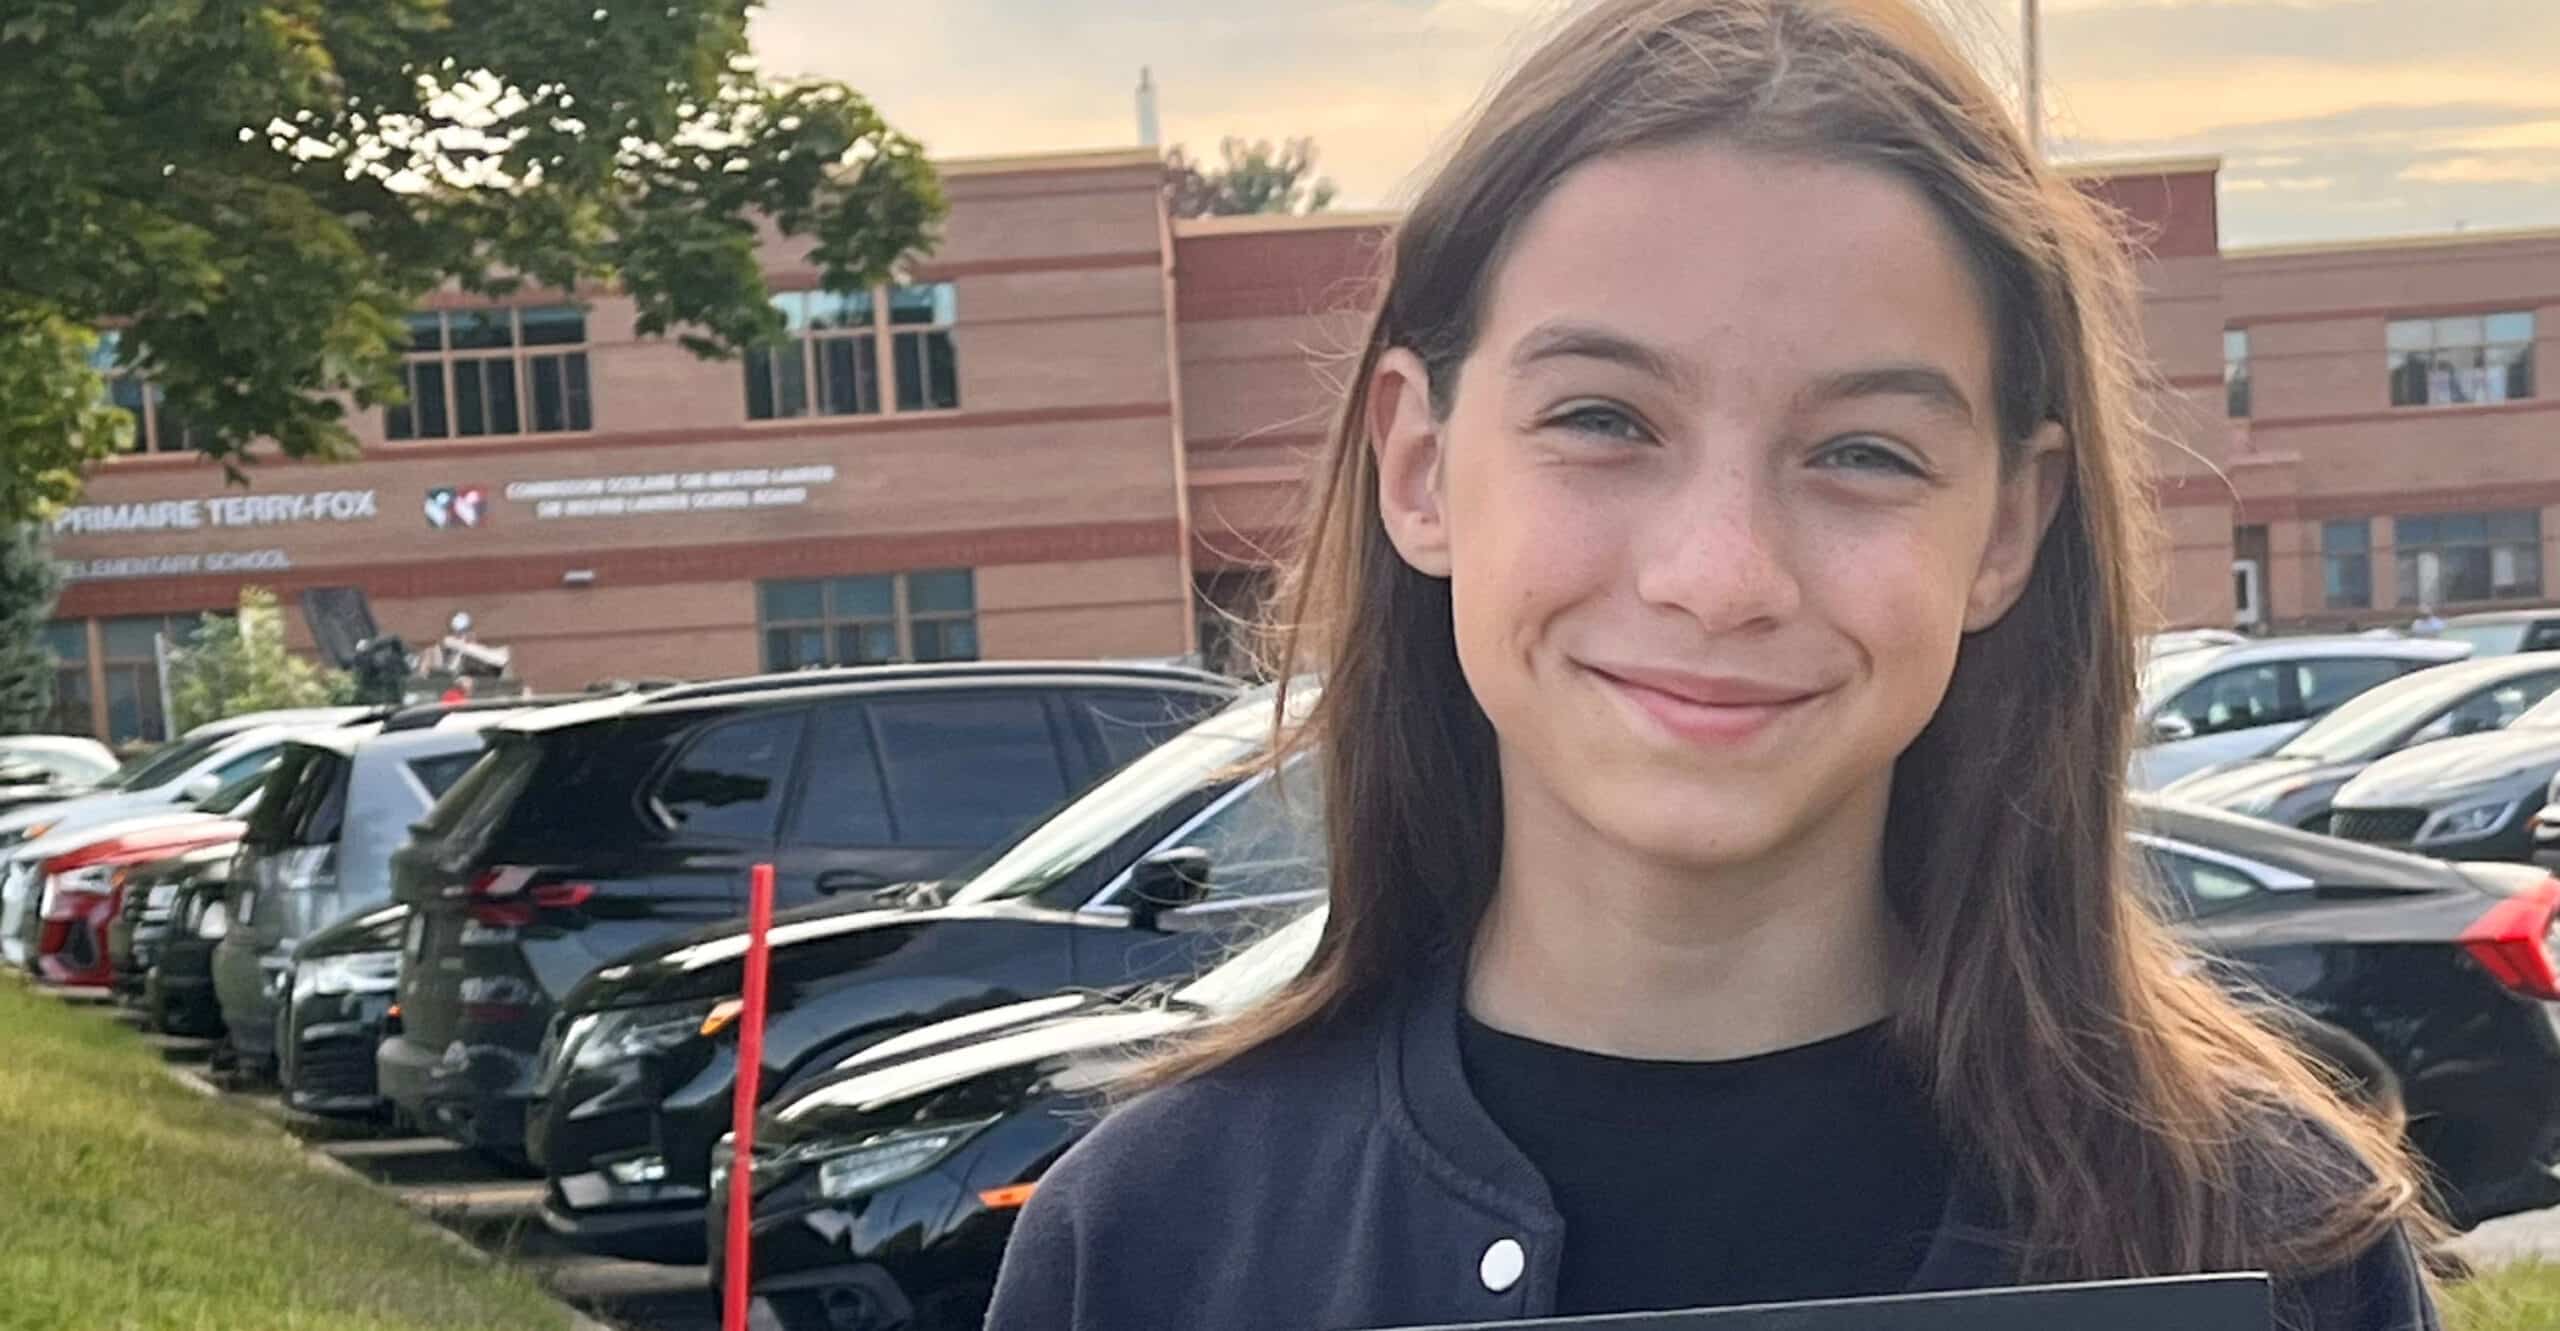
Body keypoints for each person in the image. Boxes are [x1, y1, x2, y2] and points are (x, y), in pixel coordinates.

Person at [985, 2, 2440, 1329]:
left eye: (1863, 451)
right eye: (1604, 420)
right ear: (1420, 467)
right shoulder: (1147, 1246)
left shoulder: (2282, 1249)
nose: (1722, 574)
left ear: (2006, 526)